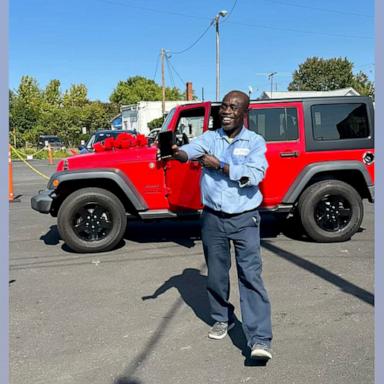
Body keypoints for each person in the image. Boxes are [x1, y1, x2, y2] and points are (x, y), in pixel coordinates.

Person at [170, 90, 273, 360]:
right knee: (216, 274)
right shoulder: (209, 138)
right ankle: (221, 318)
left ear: (244, 113)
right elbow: (189, 152)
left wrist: (221, 167)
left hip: (244, 219)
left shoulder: (255, 142)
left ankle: (260, 339)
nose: (226, 111)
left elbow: (255, 174)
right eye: (224, 106)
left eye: (233, 107)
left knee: (250, 276)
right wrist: (176, 152)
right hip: (213, 218)